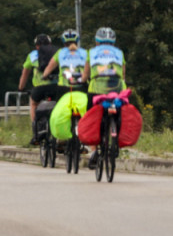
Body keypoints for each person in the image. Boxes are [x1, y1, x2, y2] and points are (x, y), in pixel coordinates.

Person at [82, 27, 126, 169]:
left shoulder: (91, 53)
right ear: (113, 42)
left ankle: (94, 151)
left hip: (96, 91)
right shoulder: (120, 53)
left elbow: (85, 75)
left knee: (92, 120)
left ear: (96, 42)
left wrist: (82, 81)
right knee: (121, 114)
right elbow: (123, 75)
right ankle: (115, 140)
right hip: (117, 90)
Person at [18, 34, 59, 145]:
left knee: (34, 104)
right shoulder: (56, 53)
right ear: (50, 44)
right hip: (56, 87)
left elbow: (25, 74)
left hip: (39, 88)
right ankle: (60, 136)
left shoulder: (32, 56)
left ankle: (35, 131)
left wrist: (21, 88)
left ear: (37, 46)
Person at [44, 29, 88, 93]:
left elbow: (48, 68)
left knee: (59, 102)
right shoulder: (85, 52)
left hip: (63, 88)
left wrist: (44, 76)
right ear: (77, 41)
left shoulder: (60, 53)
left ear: (63, 42)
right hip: (81, 87)